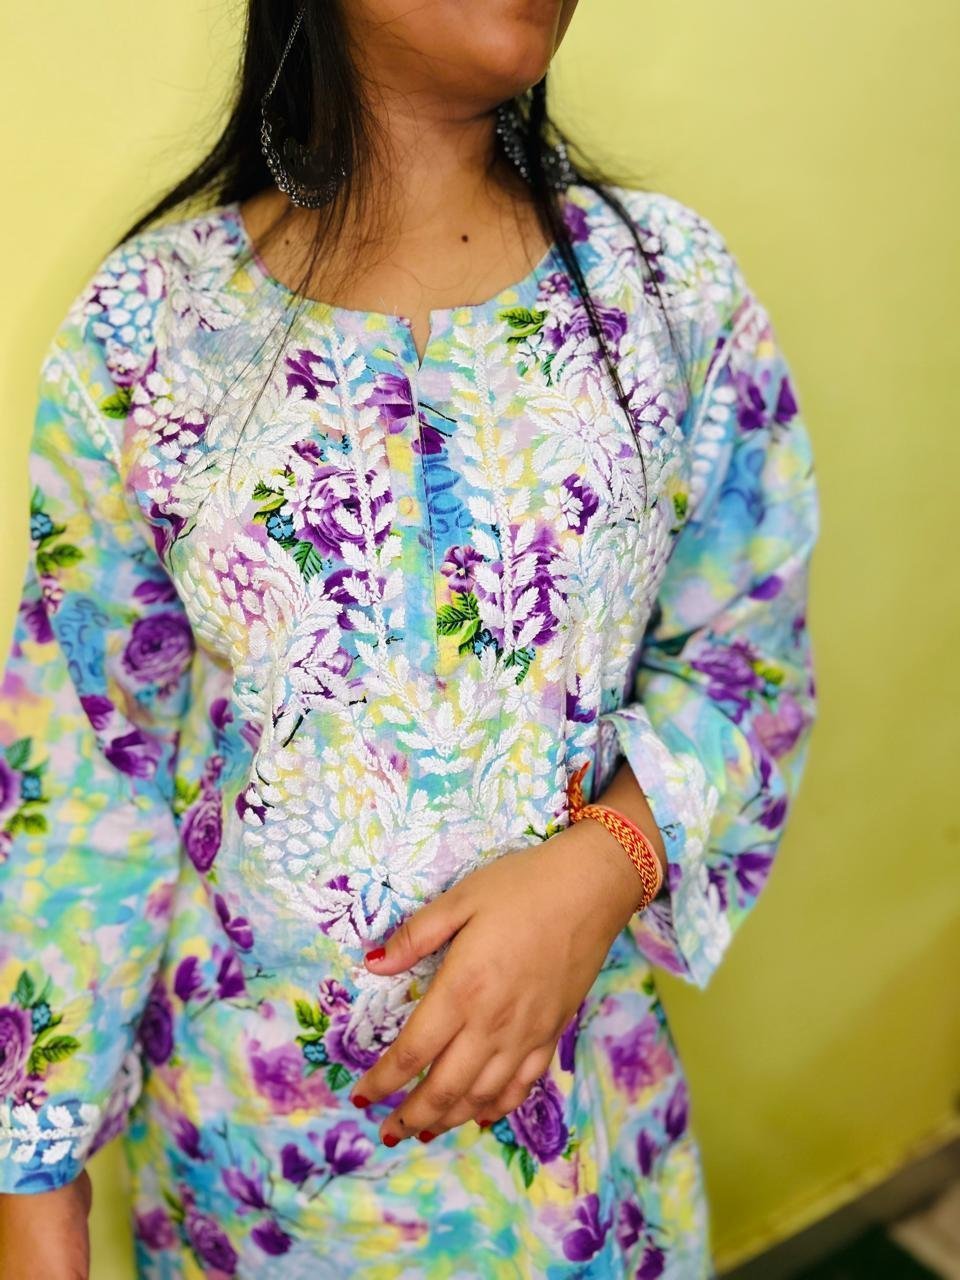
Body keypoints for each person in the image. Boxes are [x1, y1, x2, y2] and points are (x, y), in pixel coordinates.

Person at [0, 2, 819, 1276]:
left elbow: (746, 658)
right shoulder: (151, 330)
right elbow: (81, 769)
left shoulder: (665, 289)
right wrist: (37, 1182)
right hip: (254, 1177)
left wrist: (601, 867)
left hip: (572, 1154)